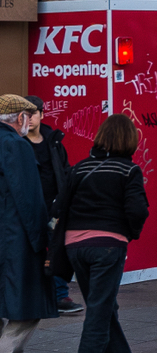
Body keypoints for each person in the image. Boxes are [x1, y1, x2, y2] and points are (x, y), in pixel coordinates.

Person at [63, 114, 149, 353]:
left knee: (104, 307)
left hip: (75, 246)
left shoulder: (79, 168)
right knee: (98, 316)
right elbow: (137, 211)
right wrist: (128, 234)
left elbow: (59, 207)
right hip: (107, 246)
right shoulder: (128, 170)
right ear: (129, 140)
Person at [0, 95, 59, 353]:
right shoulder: (16, 146)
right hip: (15, 241)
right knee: (27, 306)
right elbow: (29, 199)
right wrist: (42, 242)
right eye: (28, 114)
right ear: (19, 117)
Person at [23, 96, 81, 313]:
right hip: (27, 206)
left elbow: (64, 171)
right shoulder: (17, 143)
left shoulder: (53, 141)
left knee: (57, 248)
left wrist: (65, 198)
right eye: (24, 115)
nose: (28, 119)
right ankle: (32, 295)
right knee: (28, 250)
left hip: (53, 205)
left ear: (42, 115)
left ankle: (60, 296)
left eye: (33, 114)